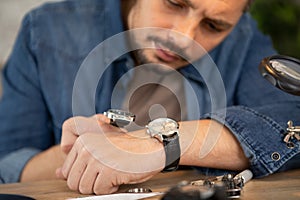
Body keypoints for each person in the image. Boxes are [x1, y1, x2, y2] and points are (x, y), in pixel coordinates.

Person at [0, 0, 299, 195]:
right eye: (174, 3)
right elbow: (8, 165)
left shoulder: (243, 39)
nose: (183, 37)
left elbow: (291, 123)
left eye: (213, 26)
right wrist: (90, 149)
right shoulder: (46, 31)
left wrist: (159, 143)